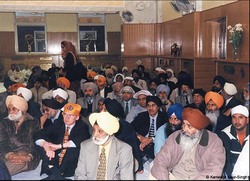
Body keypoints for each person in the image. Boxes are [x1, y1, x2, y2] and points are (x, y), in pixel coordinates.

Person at [150, 107, 226, 180]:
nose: (184, 129)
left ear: (199, 129)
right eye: (184, 124)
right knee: (154, 175)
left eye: (189, 126)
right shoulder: (175, 136)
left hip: (199, 177)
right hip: (176, 177)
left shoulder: (214, 141)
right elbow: (161, 159)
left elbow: (215, 169)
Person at [34, 103, 90, 178]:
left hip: (70, 164)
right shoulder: (58, 123)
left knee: (73, 149)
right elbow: (38, 134)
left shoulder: (82, 126)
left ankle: (56, 173)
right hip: (54, 158)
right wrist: (45, 145)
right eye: (65, 114)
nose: (67, 118)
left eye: (71, 115)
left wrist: (59, 146)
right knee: (40, 143)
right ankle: (52, 170)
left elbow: (80, 140)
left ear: (77, 117)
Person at [74, 111, 134, 180]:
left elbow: (126, 177)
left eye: (100, 131)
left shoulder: (124, 150)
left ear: (110, 132)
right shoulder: (85, 146)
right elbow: (80, 174)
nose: (95, 134)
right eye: (94, 130)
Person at [0, 95, 40, 176]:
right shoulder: (4, 123)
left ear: (22, 110)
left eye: (14, 109)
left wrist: (29, 156)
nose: (11, 112)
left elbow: (37, 143)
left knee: (4, 171)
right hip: (6, 154)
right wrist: (9, 154)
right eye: (9, 109)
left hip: (25, 156)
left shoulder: (33, 123)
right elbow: (2, 141)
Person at [131, 96, 167, 164]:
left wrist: (151, 139)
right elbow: (130, 128)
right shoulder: (141, 116)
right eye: (148, 106)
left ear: (158, 107)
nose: (150, 108)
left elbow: (166, 133)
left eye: (153, 105)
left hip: (157, 142)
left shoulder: (164, 117)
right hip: (142, 142)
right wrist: (140, 137)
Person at [219, 105, 249, 179]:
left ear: (247, 120)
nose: (237, 121)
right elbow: (226, 159)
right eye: (234, 117)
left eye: (240, 117)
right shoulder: (225, 134)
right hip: (232, 171)